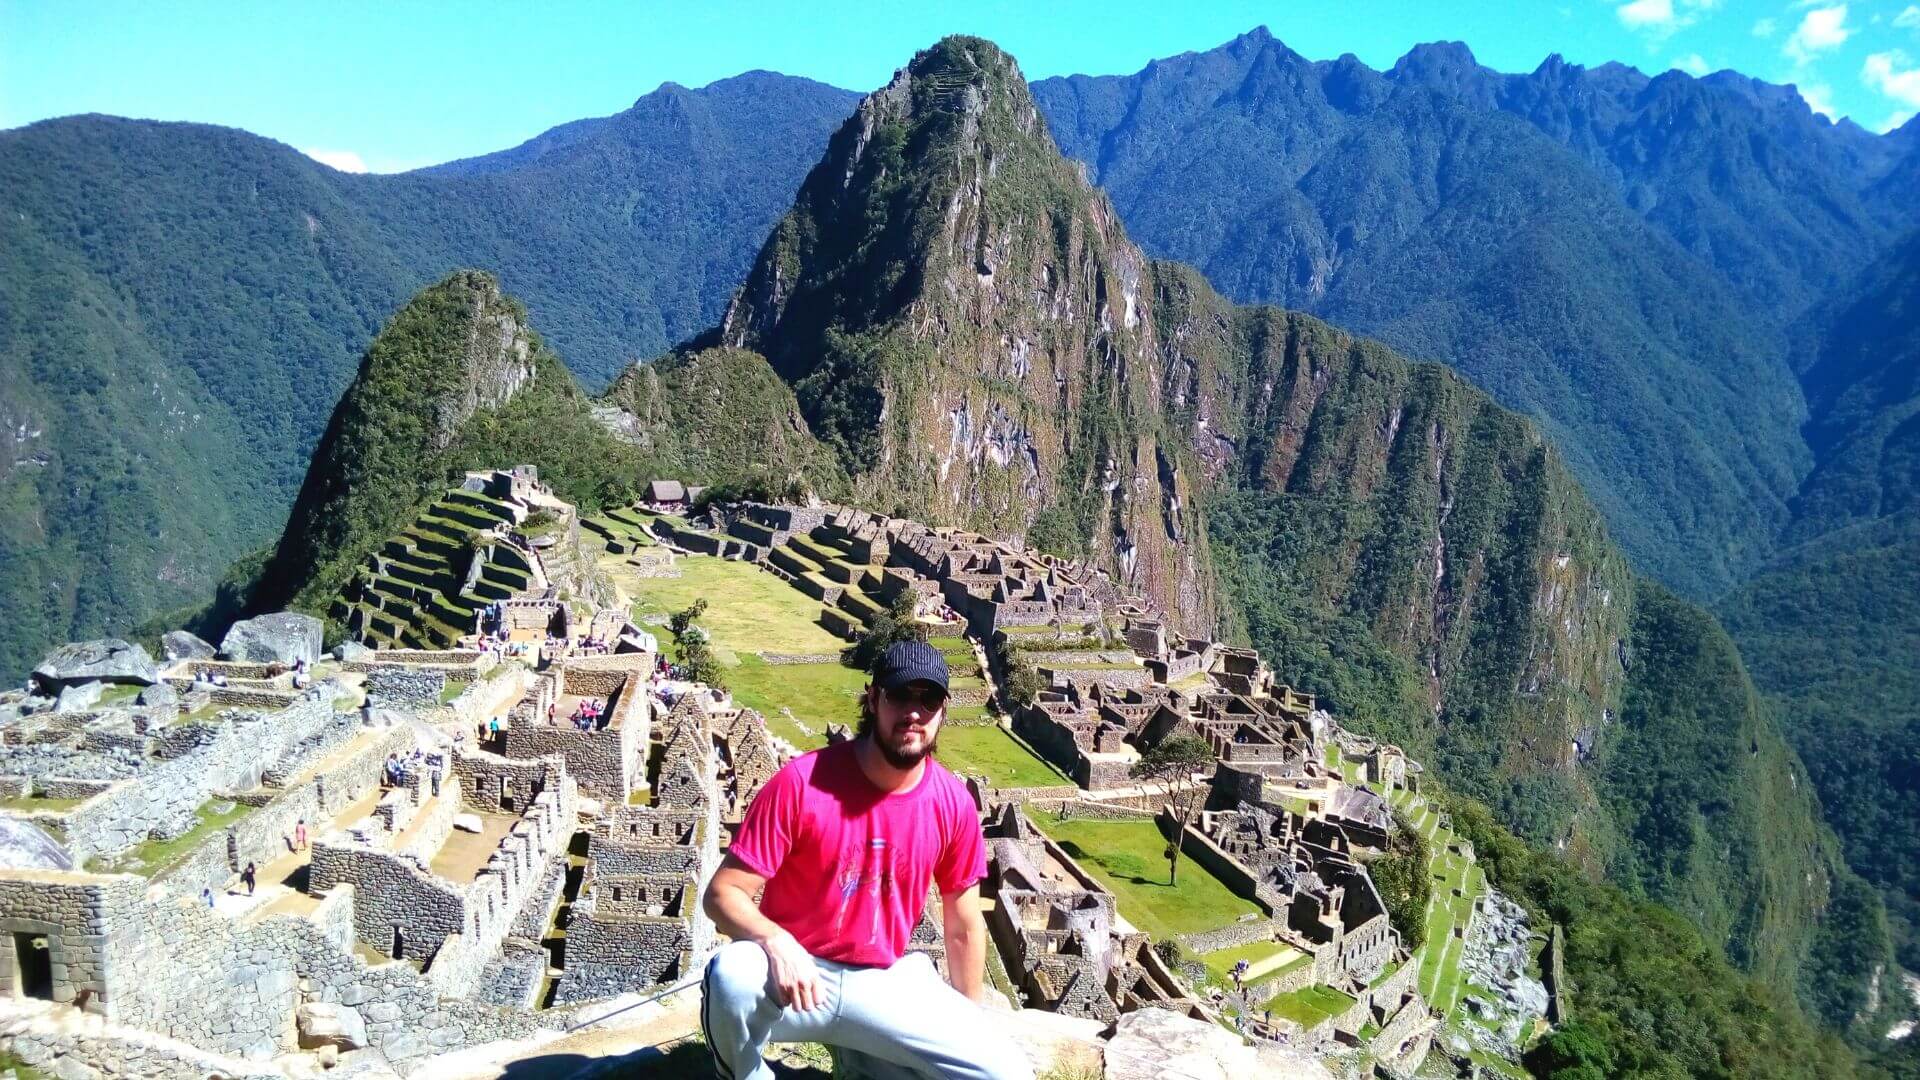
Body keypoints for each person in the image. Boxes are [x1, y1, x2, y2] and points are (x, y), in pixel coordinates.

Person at [700, 641, 1030, 1080]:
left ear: (943, 710)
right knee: (731, 978)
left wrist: (966, 1024)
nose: (913, 712)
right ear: (873, 699)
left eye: (927, 699)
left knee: (1005, 1074)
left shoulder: (952, 804)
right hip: (796, 975)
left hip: (884, 980)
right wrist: (774, 941)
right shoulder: (800, 784)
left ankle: (862, 1060)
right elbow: (722, 894)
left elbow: (963, 926)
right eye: (899, 696)